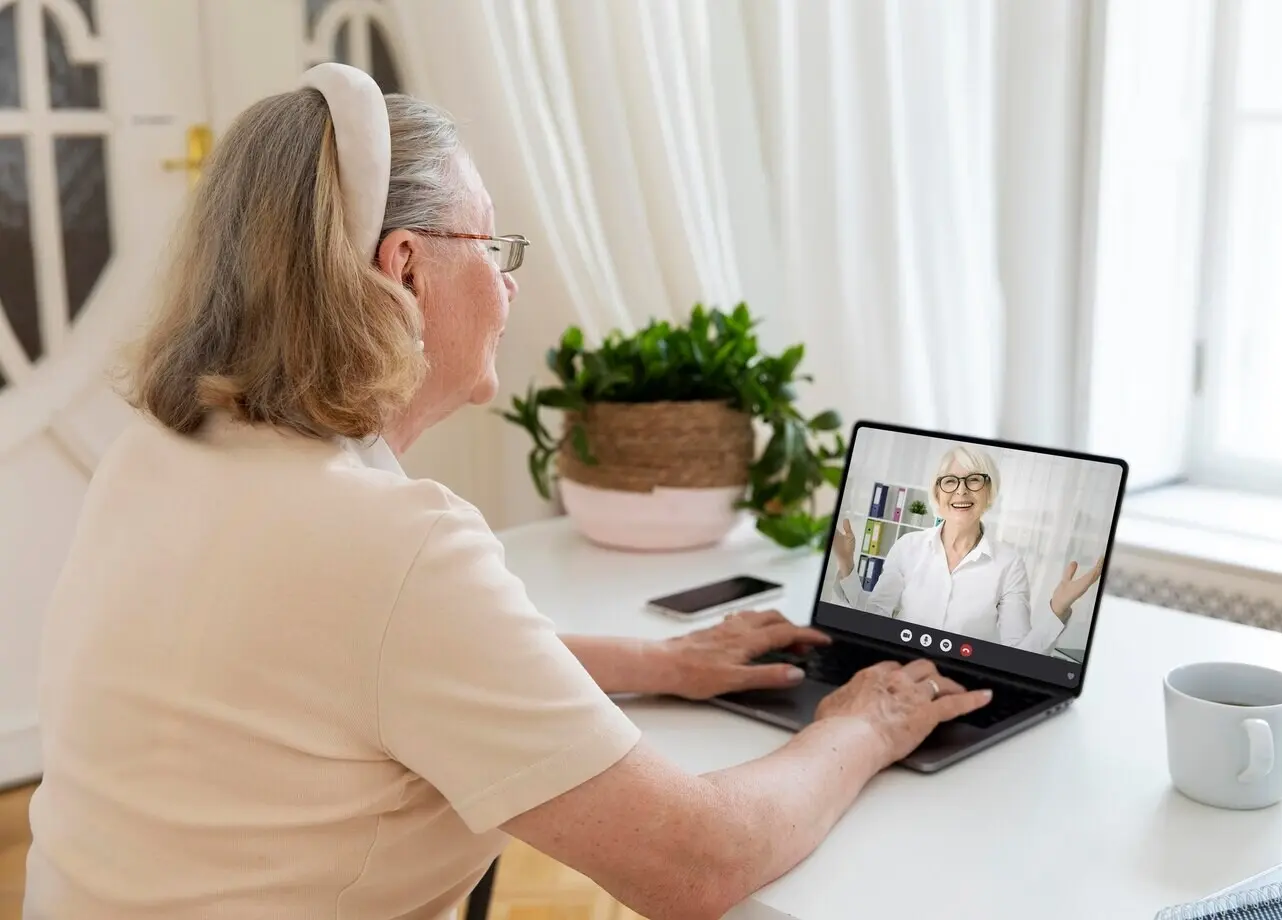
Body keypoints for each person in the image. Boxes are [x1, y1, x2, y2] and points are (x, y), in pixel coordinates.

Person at [22, 64, 992, 920]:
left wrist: (658, 662)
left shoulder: (160, 456)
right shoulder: (387, 543)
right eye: (493, 244)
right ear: (403, 268)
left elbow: (355, 671)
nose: (509, 283)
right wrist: (865, 724)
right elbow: (698, 861)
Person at [830, 444, 1104, 654]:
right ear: (937, 494)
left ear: (989, 492)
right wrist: (846, 567)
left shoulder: (1008, 563)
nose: (961, 491)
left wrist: (1057, 609)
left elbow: (1019, 652)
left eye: (974, 480)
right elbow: (874, 618)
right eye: (950, 481)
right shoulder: (907, 547)